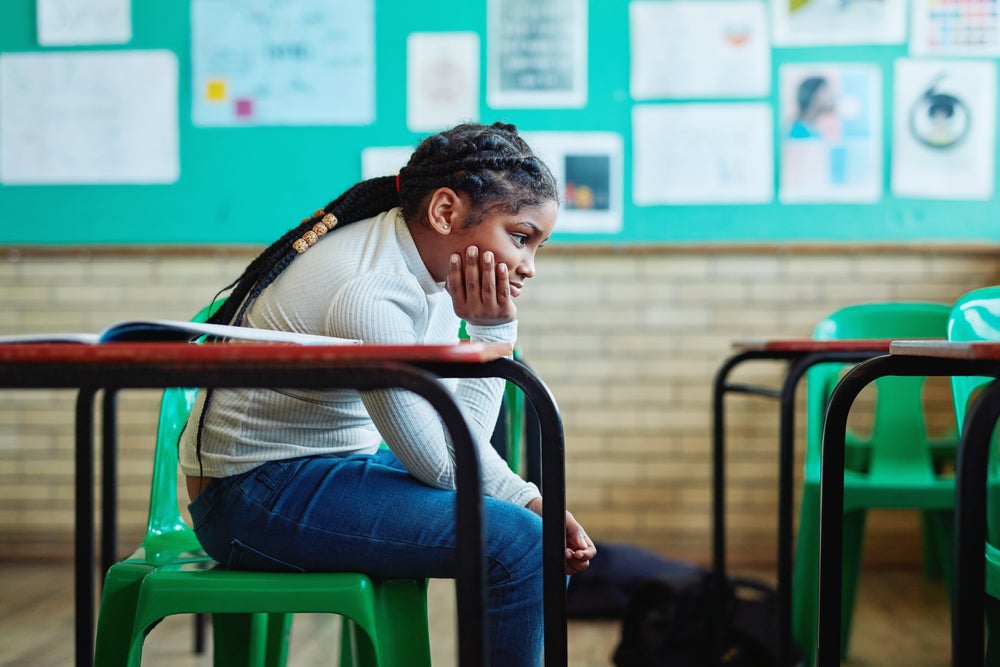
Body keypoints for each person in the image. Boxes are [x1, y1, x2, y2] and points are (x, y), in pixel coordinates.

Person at [178, 121, 596, 665]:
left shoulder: (435, 271)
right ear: (445, 212)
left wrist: (525, 497)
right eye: (520, 237)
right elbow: (441, 464)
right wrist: (496, 337)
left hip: (320, 468)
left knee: (523, 532)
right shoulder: (370, 293)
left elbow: (451, 436)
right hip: (249, 497)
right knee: (522, 547)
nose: (528, 266)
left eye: (537, 245)